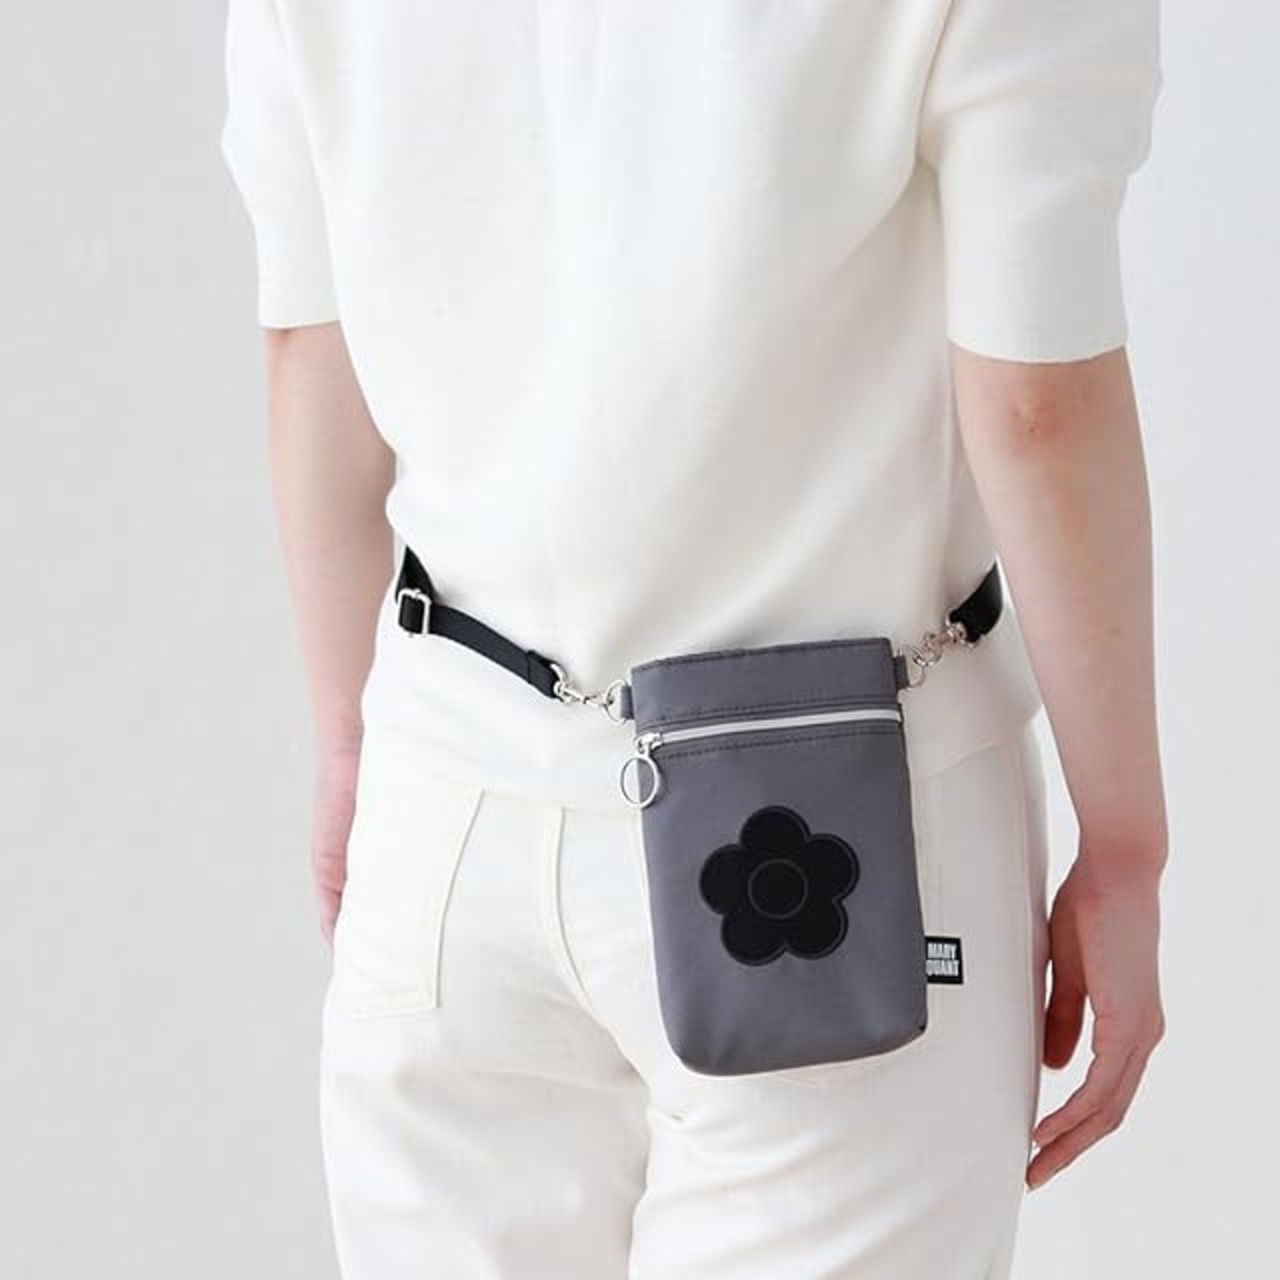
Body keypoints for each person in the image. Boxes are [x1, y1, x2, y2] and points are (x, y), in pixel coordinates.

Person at [220, 2, 1169, 1276]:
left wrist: (348, 742)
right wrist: (1125, 849)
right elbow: (1036, 399)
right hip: (840, 820)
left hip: (445, 802)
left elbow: (309, 345)